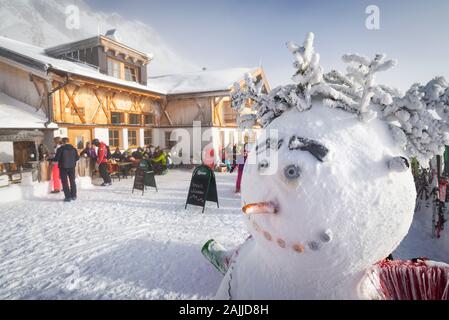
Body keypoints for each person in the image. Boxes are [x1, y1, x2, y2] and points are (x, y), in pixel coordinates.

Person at [53, 137, 79, 202]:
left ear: (63, 142)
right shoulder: (74, 149)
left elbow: (56, 159)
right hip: (72, 167)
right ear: (68, 141)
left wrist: (49, 159)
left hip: (63, 167)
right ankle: (74, 195)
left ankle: (68, 197)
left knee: (65, 182)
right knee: (72, 181)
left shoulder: (60, 149)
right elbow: (77, 158)